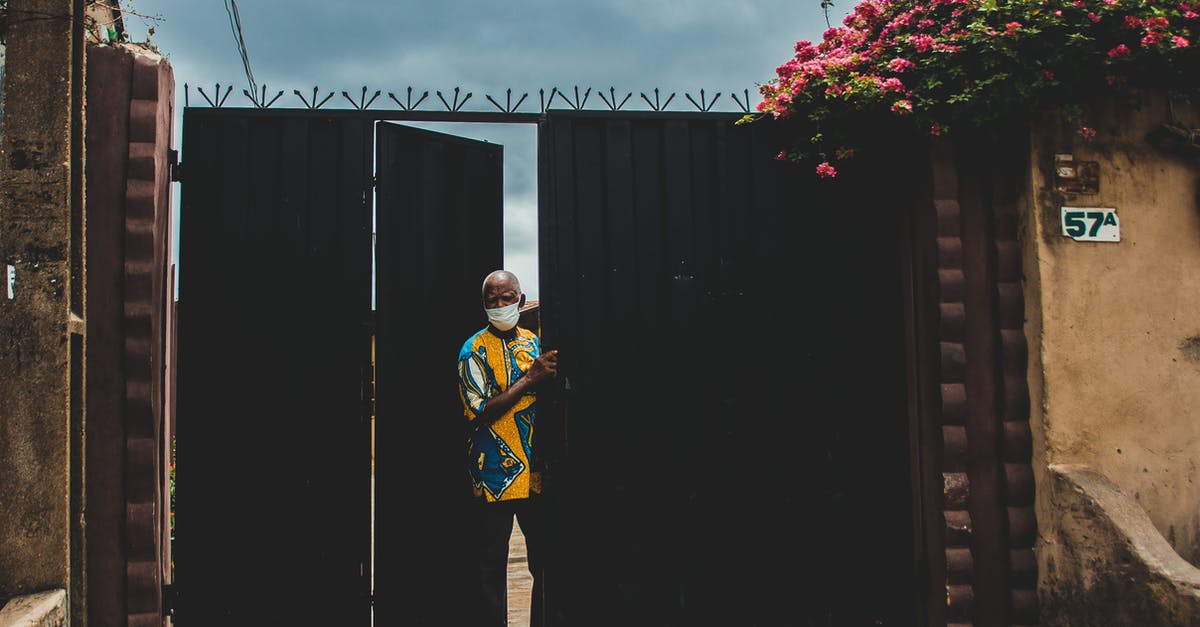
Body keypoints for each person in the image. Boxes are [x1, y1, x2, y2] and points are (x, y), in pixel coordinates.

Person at [457, 269, 559, 626]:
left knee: (545, 563)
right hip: (493, 475)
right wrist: (529, 379)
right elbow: (478, 411)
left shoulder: (534, 343)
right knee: (490, 571)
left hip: (533, 475)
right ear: (484, 306)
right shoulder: (473, 350)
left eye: (505, 298)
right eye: (491, 300)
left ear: (519, 298)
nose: (499, 305)